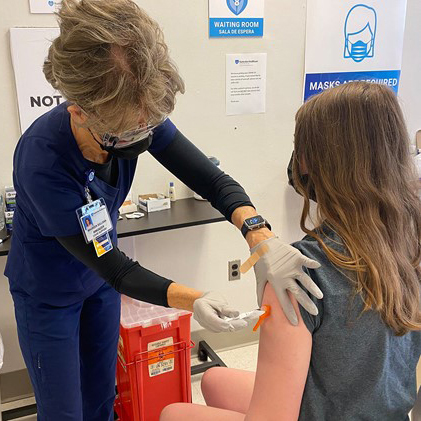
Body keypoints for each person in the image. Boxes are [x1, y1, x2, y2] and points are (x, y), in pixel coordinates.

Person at [4, 1, 323, 420]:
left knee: (101, 399)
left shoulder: (136, 112)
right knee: (63, 412)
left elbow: (212, 181)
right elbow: (116, 268)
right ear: (80, 112)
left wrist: (260, 236)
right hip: (48, 292)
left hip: (98, 288)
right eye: (129, 132)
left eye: (148, 126)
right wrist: (195, 298)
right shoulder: (42, 161)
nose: (143, 136)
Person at [160, 82, 421, 420]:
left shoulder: (299, 278)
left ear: (309, 162)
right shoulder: (410, 244)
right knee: (213, 379)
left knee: (173, 413)